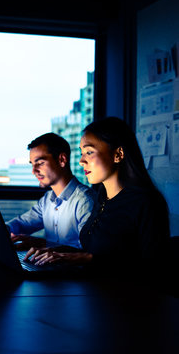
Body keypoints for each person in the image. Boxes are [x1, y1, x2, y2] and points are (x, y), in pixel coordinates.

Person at [28, 117, 170, 276]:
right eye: (82, 153)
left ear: (118, 154)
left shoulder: (146, 202)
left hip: (124, 298)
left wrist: (86, 259)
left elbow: (154, 269)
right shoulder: (101, 198)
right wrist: (54, 251)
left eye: (89, 152)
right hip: (90, 290)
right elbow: (95, 252)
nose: (81, 161)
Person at [6, 133, 96, 250]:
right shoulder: (47, 200)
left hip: (75, 268)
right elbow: (21, 224)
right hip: (51, 266)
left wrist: (42, 243)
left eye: (40, 163)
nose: (34, 171)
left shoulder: (85, 201)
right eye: (32, 164)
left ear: (62, 160)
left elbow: (90, 252)